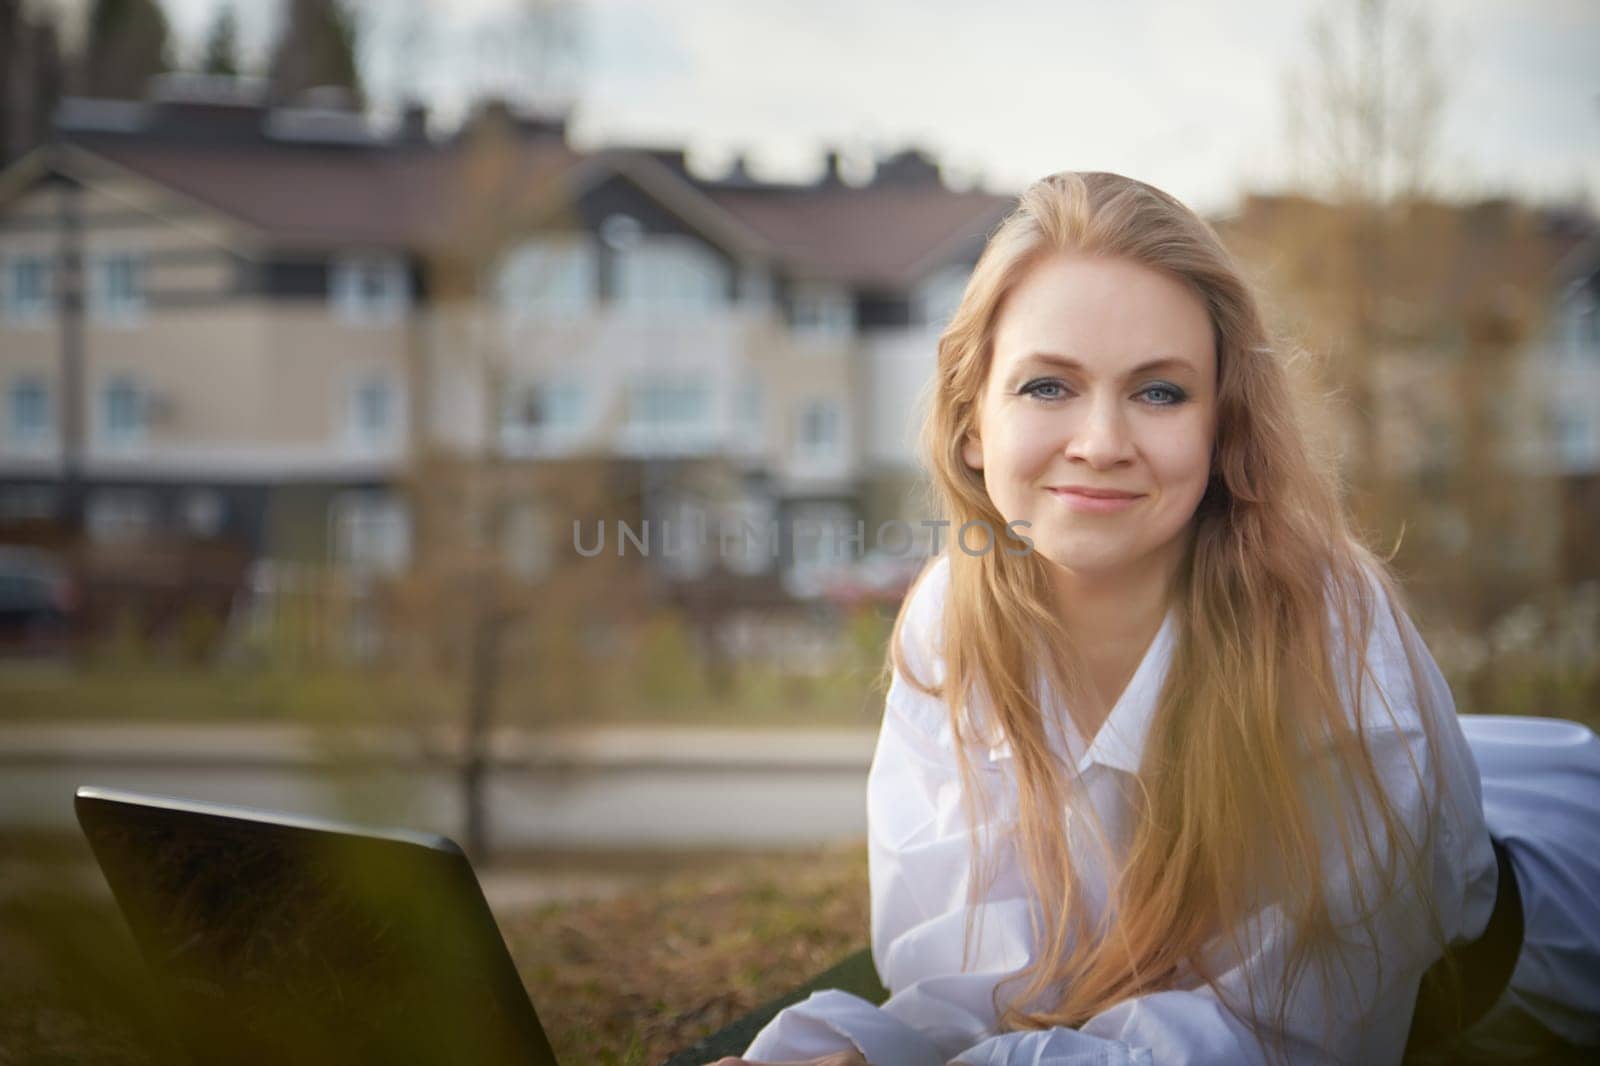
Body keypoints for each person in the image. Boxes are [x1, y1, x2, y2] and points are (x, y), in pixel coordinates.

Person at [711, 171, 1600, 1066]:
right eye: (1048, 387)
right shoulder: (950, 613)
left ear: (1222, 430)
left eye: (1160, 392)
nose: (1101, 442)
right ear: (971, 420)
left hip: (1528, 976)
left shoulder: (1329, 636)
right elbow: (961, 983)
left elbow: (1275, 1038)